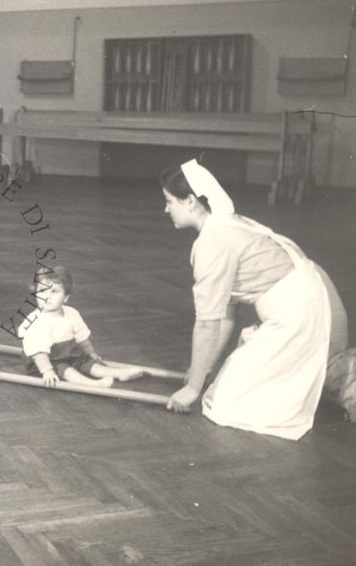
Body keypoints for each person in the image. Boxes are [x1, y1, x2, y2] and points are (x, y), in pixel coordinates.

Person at [161, 158, 336, 440]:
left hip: (299, 312)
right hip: (307, 297)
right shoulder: (222, 224)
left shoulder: (214, 241)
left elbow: (208, 323)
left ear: (191, 201)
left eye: (170, 201)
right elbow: (225, 317)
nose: (166, 209)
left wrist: (193, 388)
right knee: (233, 388)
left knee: (224, 405)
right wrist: (200, 371)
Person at [18, 266, 143, 388]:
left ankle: (119, 373)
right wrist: (47, 371)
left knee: (89, 363)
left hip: (69, 355)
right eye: (42, 290)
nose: (47, 296)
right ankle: (94, 384)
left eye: (54, 291)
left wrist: (91, 353)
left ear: (66, 297)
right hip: (43, 363)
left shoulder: (72, 313)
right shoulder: (36, 322)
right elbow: (38, 353)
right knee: (66, 370)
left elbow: (81, 337)